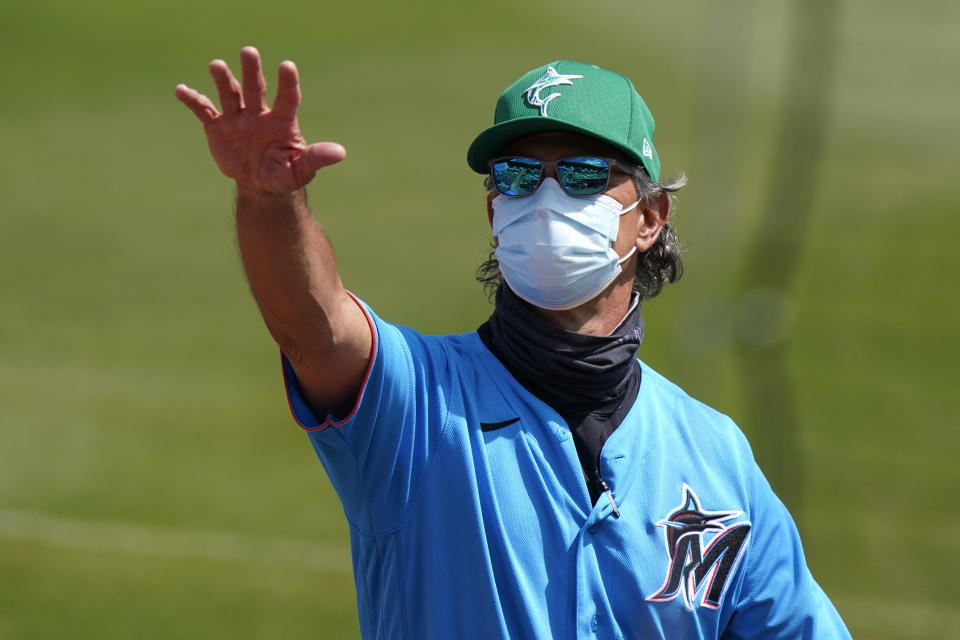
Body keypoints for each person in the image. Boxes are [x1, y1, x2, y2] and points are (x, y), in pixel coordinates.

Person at [176, 46, 851, 640]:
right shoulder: (413, 403)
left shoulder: (716, 456)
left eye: (584, 175)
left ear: (649, 218)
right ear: (495, 209)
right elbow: (312, 325)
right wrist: (268, 199)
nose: (548, 198)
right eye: (518, 178)